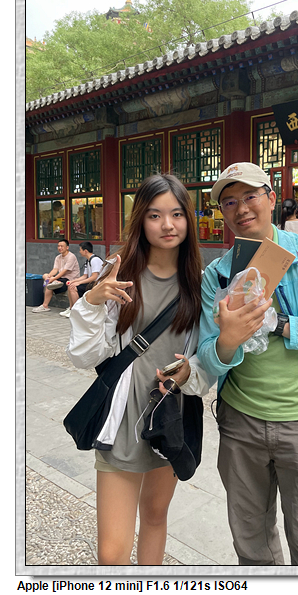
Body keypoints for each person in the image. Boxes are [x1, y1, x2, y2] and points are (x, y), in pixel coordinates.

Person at [197, 162, 298, 566]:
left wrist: (284, 325)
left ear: (271, 198)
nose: (241, 208)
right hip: (240, 425)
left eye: (250, 196)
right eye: (229, 202)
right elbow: (207, 357)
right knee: (251, 545)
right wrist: (227, 340)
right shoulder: (217, 276)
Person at [66, 174, 212, 566]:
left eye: (177, 214)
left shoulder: (200, 283)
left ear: (188, 220)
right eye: (155, 215)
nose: (167, 224)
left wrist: (191, 370)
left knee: (155, 515)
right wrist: (92, 303)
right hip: (124, 415)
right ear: (141, 220)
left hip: (169, 413)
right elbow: (83, 356)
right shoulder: (120, 275)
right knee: (112, 553)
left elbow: (206, 356)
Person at [32, 239, 80, 313]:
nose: (59, 248)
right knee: (45, 275)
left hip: (70, 279)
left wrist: (53, 278)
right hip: (61, 278)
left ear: (67, 247)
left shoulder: (71, 257)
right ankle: (45, 306)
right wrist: (49, 276)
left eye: (62, 246)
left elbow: (64, 271)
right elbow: (55, 269)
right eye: (58, 246)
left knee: (50, 283)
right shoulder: (58, 257)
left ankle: (53, 284)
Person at [60, 242, 104, 318]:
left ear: (85, 251)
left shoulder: (95, 260)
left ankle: (77, 311)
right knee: (71, 285)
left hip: (96, 284)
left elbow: (94, 277)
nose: (79, 251)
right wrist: (73, 281)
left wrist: (79, 283)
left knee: (73, 288)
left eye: (80, 250)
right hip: (91, 283)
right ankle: (71, 309)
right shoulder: (88, 261)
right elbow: (84, 276)